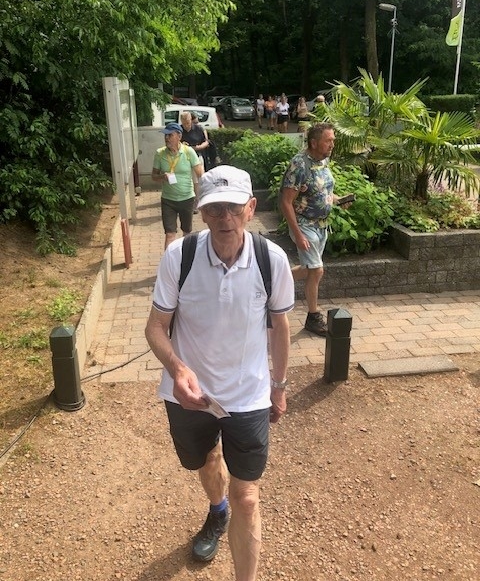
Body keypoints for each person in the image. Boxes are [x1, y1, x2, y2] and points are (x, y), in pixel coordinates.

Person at [145, 165, 294, 581]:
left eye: (233, 207)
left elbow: (280, 326)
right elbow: (155, 326)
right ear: (201, 211)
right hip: (189, 396)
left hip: (248, 395)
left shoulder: (271, 259)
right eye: (214, 209)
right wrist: (177, 370)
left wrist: (279, 387)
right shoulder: (180, 256)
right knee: (207, 461)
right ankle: (217, 509)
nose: (224, 218)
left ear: (251, 208)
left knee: (248, 497)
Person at [280, 122, 350, 336]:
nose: (332, 144)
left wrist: (338, 200)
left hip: (321, 226)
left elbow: (322, 191)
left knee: (308, 269)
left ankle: (272, 281)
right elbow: (286, 202)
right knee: (317, 270)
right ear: (314, 142)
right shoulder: (299, 164)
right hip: (305, 225)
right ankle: (313, 317)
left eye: (333, 140)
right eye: (328, 141)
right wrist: (298, 234)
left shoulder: (323, 161)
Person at [151, 122, 204, 249]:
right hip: (168, 200)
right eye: (165, 135)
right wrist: (162, 177)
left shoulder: (188, 152)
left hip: (187, 198)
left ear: (179, 136)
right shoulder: (160, 153)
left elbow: (201, 174)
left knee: (187, 233)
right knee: (170, 234)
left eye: (170, 135)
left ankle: (186, 258)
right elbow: (153, 176)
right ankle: (168, 260)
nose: (166, 138)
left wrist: (204, 195)